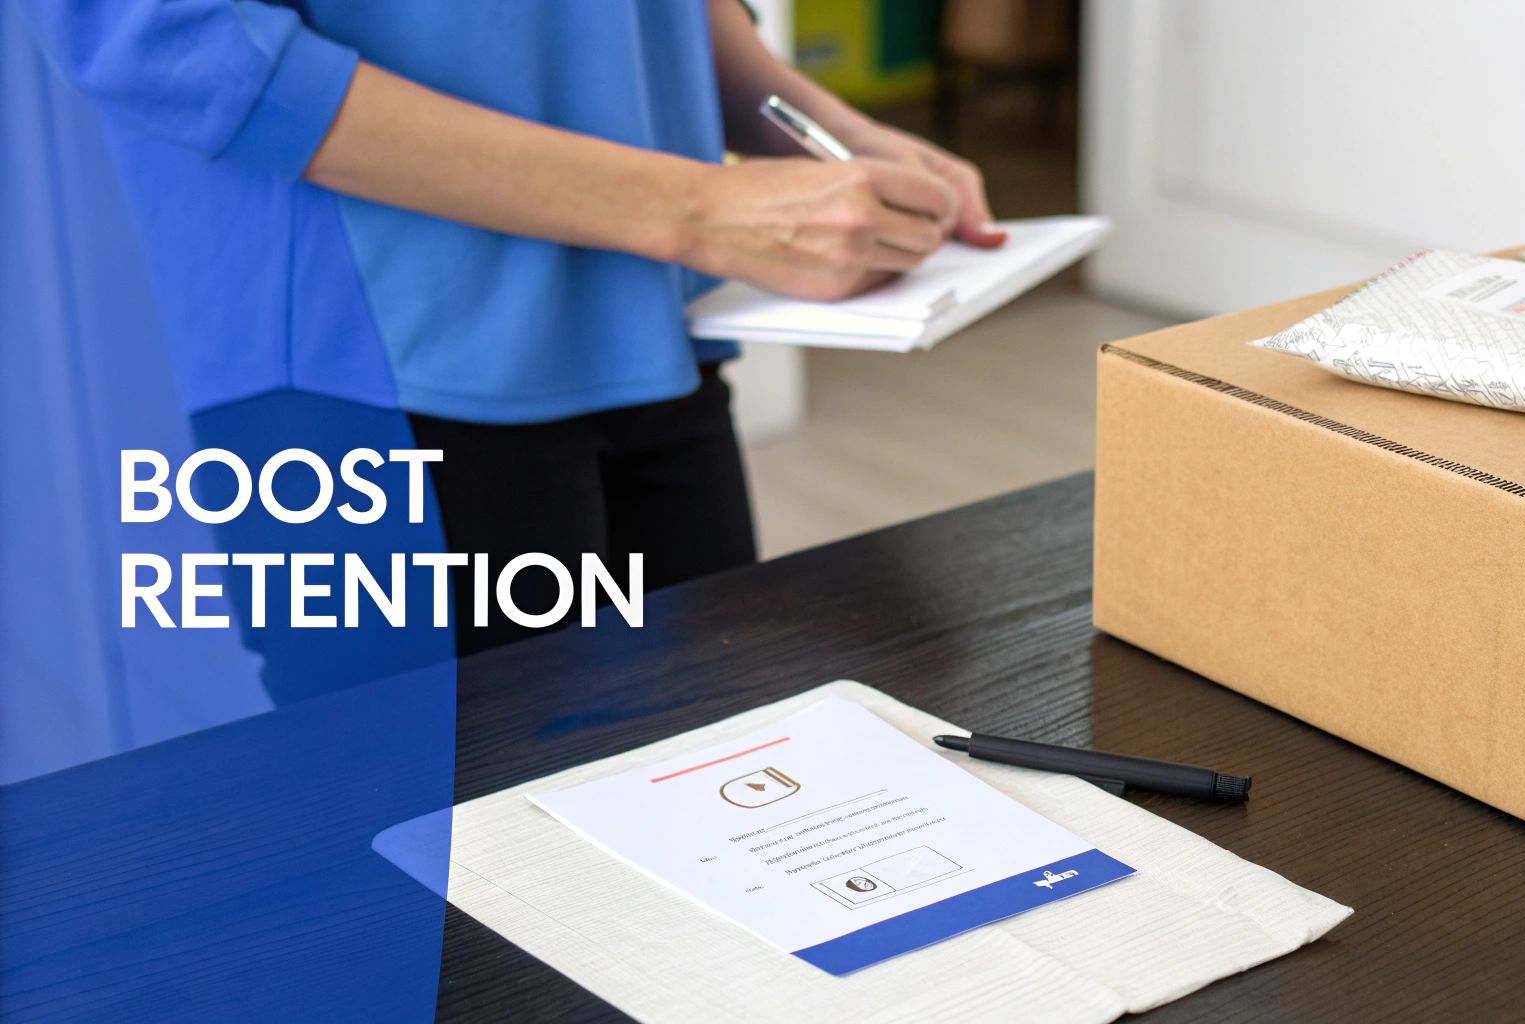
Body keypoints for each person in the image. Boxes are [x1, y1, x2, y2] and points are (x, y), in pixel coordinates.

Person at [20, 0, 1004, 658]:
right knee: (457, 888)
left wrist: (818, 130)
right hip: (370, 369)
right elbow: (186, 49)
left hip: (642, 326)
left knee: (710, 796)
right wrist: (699, 210)